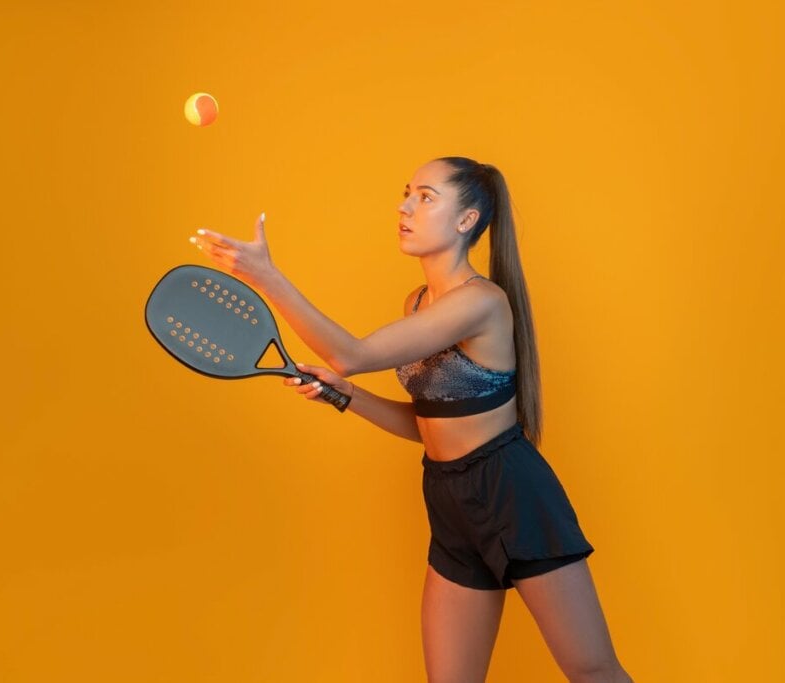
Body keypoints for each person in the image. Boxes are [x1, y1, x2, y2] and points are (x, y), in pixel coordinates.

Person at [191, 156, 633, 683]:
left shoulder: (481, 303)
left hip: (512, 494)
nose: (405, 206)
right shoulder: (419, 302)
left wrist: (268, 277)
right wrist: (346, 396)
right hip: (448, 498)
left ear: (466, 220)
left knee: (592, 672)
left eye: (426, 197)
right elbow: (428, 424)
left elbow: (350, 353)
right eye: (407, 193)